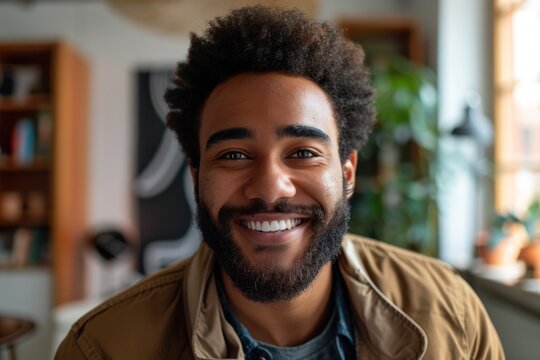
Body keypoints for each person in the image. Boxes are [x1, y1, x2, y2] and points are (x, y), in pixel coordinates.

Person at [56, 5, 504, 360]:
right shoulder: (102, 349)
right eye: (233, 155)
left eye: (303, 153)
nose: (270, 189)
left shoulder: (452, 314)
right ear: (196, 174)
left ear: (346, 173)